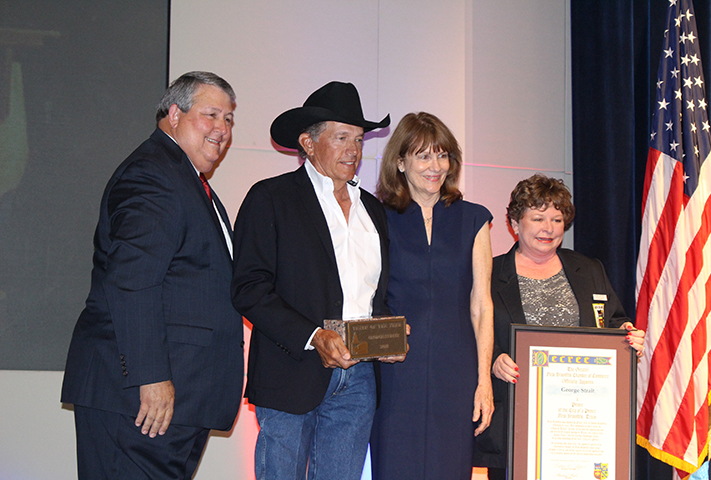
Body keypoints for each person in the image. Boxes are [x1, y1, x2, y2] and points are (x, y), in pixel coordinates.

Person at [61, 71, 244, 480]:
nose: (222, 129)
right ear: (174, 114)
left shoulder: (183, 179)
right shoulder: (154, 175)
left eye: (229, 119)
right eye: (211, 114)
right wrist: (151, 376)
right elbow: (132, 281)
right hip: (143, 404)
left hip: (173, 405)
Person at [232, 81, 403, 480]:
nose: (353, 150)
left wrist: (388, 333)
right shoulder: (271, 198)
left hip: (359, 377)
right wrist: (313, 336)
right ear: (308, 143)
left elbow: (372, 295)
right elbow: (249, 288)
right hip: (292, 369)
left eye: (359, 139)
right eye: (341, 137)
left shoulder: (372, 210)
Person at [473, 173, 645, 480]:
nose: (548, 228)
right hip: (516, 426)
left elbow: (615, 321)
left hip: (582, 428)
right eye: (538, 218)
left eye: (556, 218)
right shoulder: (489, 273)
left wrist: (628, 336)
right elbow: (468, 333)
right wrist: (494, 360)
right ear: (515, 223)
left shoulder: (589, 269)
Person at [369, 112, 495, 479]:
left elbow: (481, 305)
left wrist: (483, 380)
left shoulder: (474, 219)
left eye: (442, 155)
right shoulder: (375, 216)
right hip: (394, 370)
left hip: (456, 372)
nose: (435, 166)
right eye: (423, 155)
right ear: (400, 162)